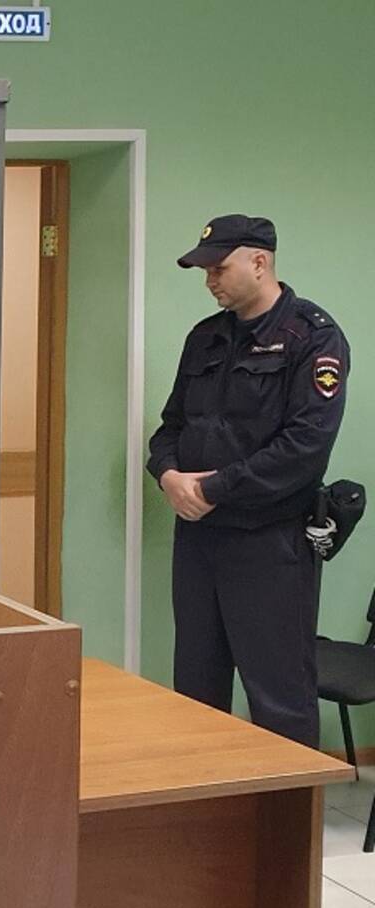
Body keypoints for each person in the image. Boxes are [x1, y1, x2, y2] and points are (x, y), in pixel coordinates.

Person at [147, 214, 349, 749]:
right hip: (199, 542)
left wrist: (210, 490)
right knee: (196, 689)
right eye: (204, 271)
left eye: (219, 268)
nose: (209, 280)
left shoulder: (313, 337)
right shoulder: (205, 338)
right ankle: (207, 798)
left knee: (279, 697)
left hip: (269, 544)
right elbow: (170, 428)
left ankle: (286, 806)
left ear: (259, 262)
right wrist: (168, 475)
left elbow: (303, 449)